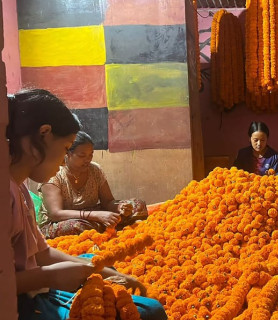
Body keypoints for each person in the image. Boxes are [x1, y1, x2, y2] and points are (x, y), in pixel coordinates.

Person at [7, 89, 166, 319]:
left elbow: (42, 253)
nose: (63, 160)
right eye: (65, 149)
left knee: (93, 261)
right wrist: (51, 277)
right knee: (151, 311)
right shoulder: (9, 194)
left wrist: (96, 269)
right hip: (25, 301)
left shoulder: (20, 187)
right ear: (44, 134)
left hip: (38, 282)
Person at [37, 131, 148, 239]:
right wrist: (96, 216)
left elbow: (108, 202)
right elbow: (56, 213)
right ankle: (104, 228)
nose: (88, 159)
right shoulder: (54, 173)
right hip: (65, 221)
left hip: (95, 216)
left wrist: (120, 207)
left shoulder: (95, 170)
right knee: (76, 227)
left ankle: (102, 229)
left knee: (137, 205)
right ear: (68, 153)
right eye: (82, 155)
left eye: (91, 154)